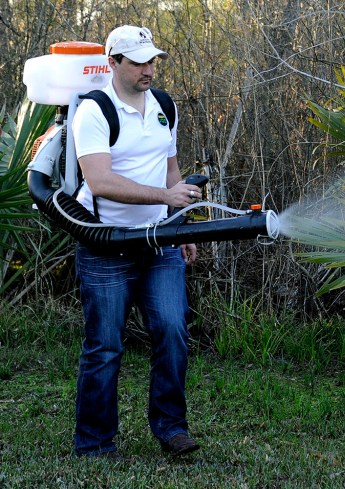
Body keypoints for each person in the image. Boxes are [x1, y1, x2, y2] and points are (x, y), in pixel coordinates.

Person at [71, 25, 201, 458]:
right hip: (106, 246)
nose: (149, 69)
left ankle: (171, 429)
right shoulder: (94, 111)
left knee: (172, 330)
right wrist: (165, 197)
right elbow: (100, 180)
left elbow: (171, 171)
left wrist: (180, 222)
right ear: (114, 63)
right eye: (139, 62)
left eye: (152, 60)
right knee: (105, 345)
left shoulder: (165, 105)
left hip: (160, 242)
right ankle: (94, 443)